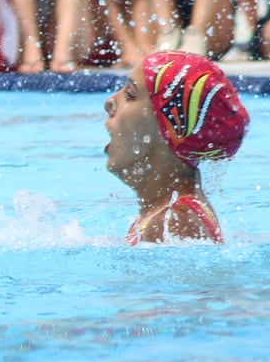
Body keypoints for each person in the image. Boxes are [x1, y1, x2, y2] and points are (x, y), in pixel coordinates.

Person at [104, 51, 248, 244]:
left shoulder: (173, 223)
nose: (109, 102)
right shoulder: (164, 215)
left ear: (172, 129)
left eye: (130, 95)